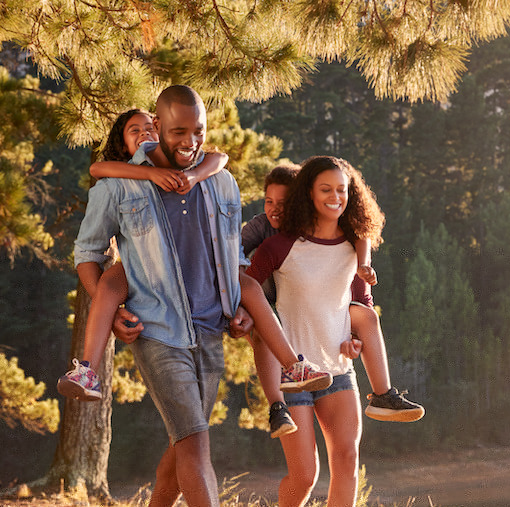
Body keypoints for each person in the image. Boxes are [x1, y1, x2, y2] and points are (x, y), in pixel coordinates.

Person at [71, 87, 327, 507]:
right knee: (195, 441)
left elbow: (229, 257)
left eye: (198, 132)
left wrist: (238, 309)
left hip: (210, 329)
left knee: (183, 442)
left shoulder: (222, 183)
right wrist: (114, 304)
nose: (189, 141)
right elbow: (88, 251)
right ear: (159, 129)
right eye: (178, 132)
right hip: (157, 330)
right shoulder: (120, 185)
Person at [59, 110, 331, 405]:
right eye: (134, 130)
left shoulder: (186, 166)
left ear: (162, 133)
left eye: (150, 128)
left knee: (250, 286)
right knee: (109, 285)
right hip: (145, 262)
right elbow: (98, 168)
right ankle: (86, 371)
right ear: (123, 144)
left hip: (198, 266)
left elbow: (220, 158)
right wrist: (151, 173)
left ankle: (293, 366)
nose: (144, 134)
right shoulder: (121, 177)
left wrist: (192, 174)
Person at [246, 156, 389, 507]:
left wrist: (356, 340)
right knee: (305, 473)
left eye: (342, 190)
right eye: (326, 189)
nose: (335, 197)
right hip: (295, 375)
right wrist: (241, 322)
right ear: (309, 192)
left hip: (339, 370)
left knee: (347, 459)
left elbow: (358, 305)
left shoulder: (352, 247)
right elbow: (248, 292)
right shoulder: (279, 246)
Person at [242, 165, 423, 436]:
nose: (276, 210)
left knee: (366, 315)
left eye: (284, 203)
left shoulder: (344, 241)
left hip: (327, 353)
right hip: (274, 317)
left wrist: (353, 336)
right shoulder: (266, 233)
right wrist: (237, 309)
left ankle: (383, 394)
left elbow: (360, 294)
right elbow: (233, 260)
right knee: (264, 327)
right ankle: (277, 407)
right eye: (270, 202)